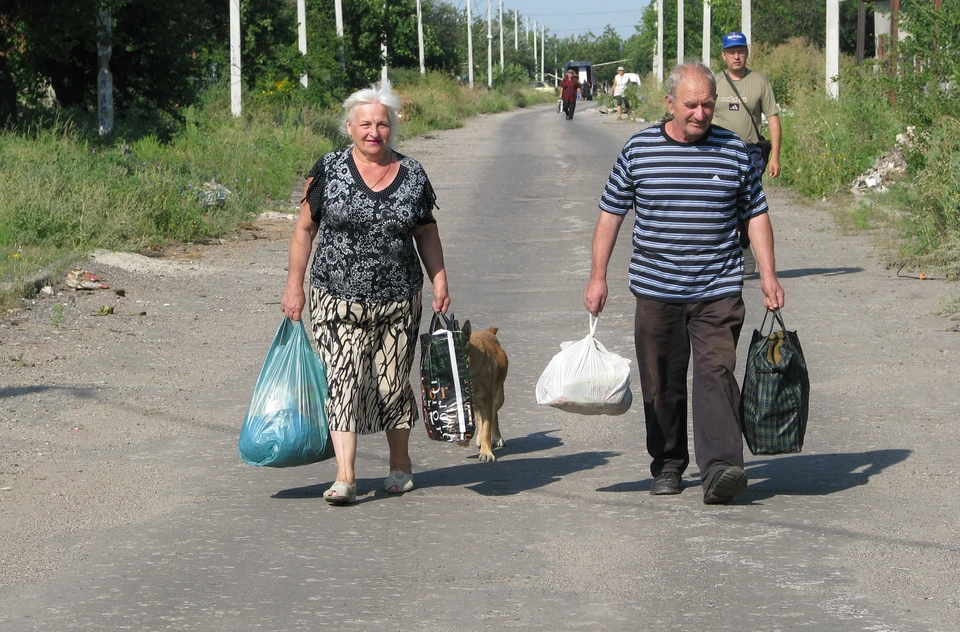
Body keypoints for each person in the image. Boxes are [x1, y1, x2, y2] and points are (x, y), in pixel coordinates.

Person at [583, 61, 785, 505]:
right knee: (662, 383)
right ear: (669, 103)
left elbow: (756, 215)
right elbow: (610, 215)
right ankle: (669, 463)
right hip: (657, 290)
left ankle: (721, 468)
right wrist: (598, 277)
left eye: (708, 105)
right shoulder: (638, 151)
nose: (700, 113)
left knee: (716, 373)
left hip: (718, 287)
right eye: (690, 104)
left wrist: (768, 274)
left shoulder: (733, 151)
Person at [281, 80, 451, 505]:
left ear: (391, 127)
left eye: (382, 124)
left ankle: (400, 465)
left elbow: (425, 232)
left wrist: (440, 279)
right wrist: (293, 286)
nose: (373, 132)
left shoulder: (412, 174)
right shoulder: (329, 170)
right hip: (335, 297)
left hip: (398, 299)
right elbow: (305, 230)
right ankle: (345, 476)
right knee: (344, 380)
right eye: (365, 124)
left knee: (392, 384)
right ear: (349, 127)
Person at [712, 31, 782, 274]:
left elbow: (773, 119)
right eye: (731, 52)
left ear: (747, 53)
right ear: (724, 56)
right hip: (719, 152)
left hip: (750, 152)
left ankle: (742, 245)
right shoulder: (715, 83)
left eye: (740, 51)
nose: (737, 56)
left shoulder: (759, 82)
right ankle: (733, 251)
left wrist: (774, 157)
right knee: (723, 203)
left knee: (747, 203)